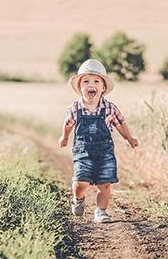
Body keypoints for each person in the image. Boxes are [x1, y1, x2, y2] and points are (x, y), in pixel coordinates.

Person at [58, 59, 138, 223]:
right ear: (80, 88)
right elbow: (67, 125)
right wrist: (65, 137)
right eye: (86, 81)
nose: (90, 84)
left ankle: (101, 211)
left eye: (96, 81)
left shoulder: (110, 108)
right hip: (83, 152)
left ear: (103, 88)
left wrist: (129, 138)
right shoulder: (74, 108)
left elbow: (120, 124)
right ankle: (78, 199)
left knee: (105, 184)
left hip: (105, 153)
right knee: (81, 182)